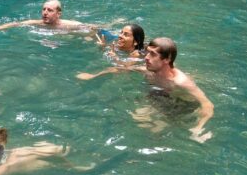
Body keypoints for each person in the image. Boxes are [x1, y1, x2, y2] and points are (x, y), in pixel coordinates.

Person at [77, 37, 214, 143]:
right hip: (158, 97)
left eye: (153, 54)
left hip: (179, 107)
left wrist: (199, 128)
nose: (147, 57)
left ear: (167, 59)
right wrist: (93, 76)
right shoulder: (149, 71)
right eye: (148, 52)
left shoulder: (182, 83)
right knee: (139, 119)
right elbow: (122, 68)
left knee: (148, 127)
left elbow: (208, 105)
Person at [0, 0, 92, 36]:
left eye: (49, 10)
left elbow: (94, 29)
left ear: (58, 14)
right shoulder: (38, 23)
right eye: (43, 9)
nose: (45, 12)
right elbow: (15, 24)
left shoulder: (70, 25)